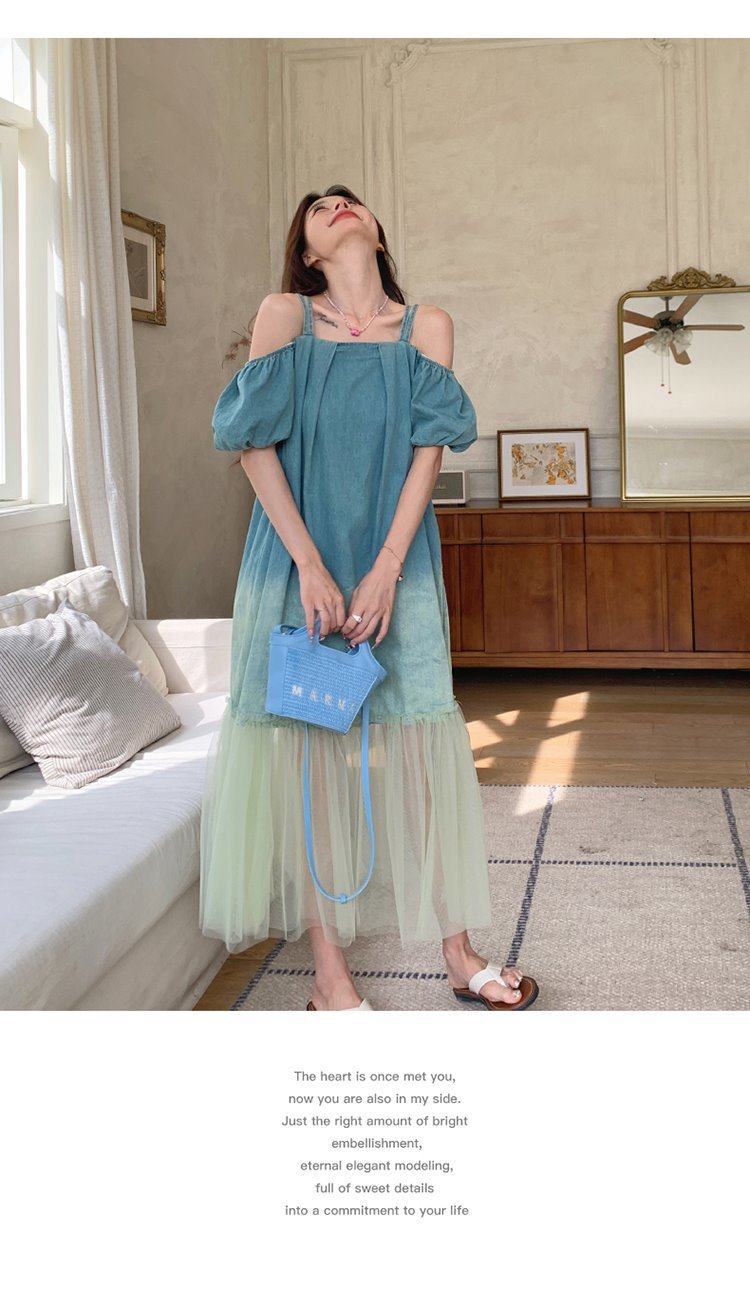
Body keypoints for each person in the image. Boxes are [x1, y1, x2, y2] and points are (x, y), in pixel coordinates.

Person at [199, 184, 538, 1012]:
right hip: (295, 562)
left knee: (424, 746)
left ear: (377, 233)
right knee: (314, 759)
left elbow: (430, 452)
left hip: (399, 561)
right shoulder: (284, 315)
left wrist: (387, 568)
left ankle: (458, 952)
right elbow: (251, 447)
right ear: (307, 251)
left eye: (349, 200)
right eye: (319, 208)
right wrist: (310, 565)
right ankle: (330, 978)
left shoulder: (427, 328)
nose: (337, 205)